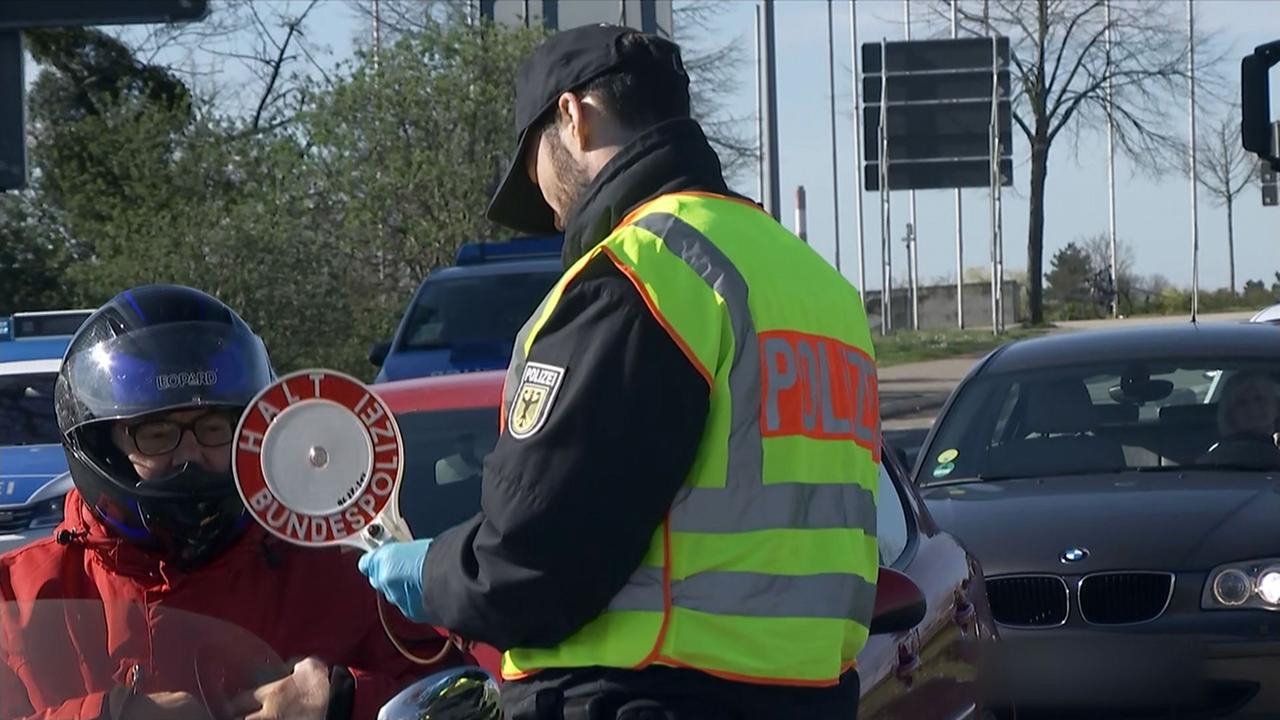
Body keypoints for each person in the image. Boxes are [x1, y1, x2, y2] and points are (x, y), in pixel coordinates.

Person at [359, 24, 881, 720]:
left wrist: (434, 573)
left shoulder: (642, 275)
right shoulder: (815, 285)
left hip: (643, 695)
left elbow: (534, 561)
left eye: (533, 166)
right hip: (810, 699)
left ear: (571, 117)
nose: (546, 204)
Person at [0, 285, 478, 720]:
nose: (190, 454)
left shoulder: (342, 572)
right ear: (105, 445)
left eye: (213, 429)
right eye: (157, 433)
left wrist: (345, 700)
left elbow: (462, 698)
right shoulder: (19, 598)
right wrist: (103, 717)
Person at [1198, 370, 1280, 468]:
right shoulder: (1222, 457)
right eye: (1242, 403)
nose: (1253, 409)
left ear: (1276, 405)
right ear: (1230, 414)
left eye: (1259, 399)